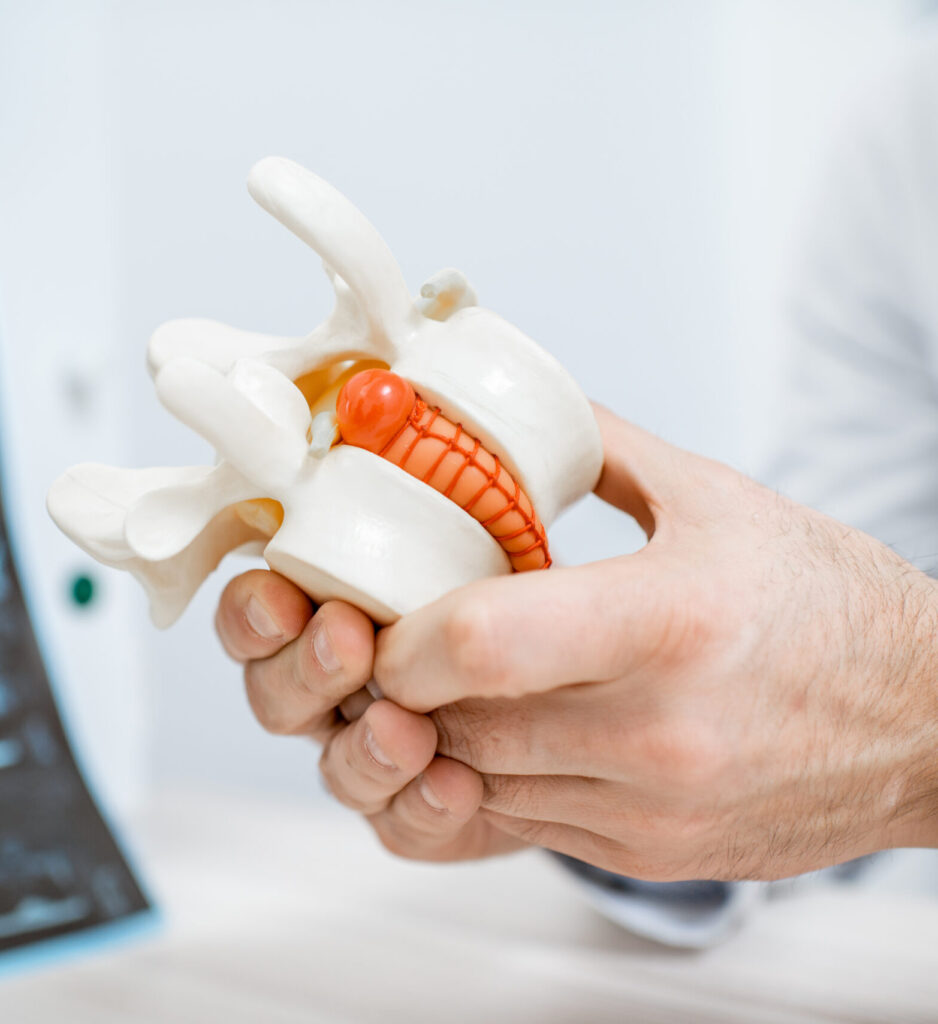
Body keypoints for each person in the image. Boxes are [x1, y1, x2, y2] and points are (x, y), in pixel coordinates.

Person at [214, 36, 938, 942]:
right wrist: (600, 778)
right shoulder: (907, 142)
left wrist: (917, 724)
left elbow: (879, 700)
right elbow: (858, 655)